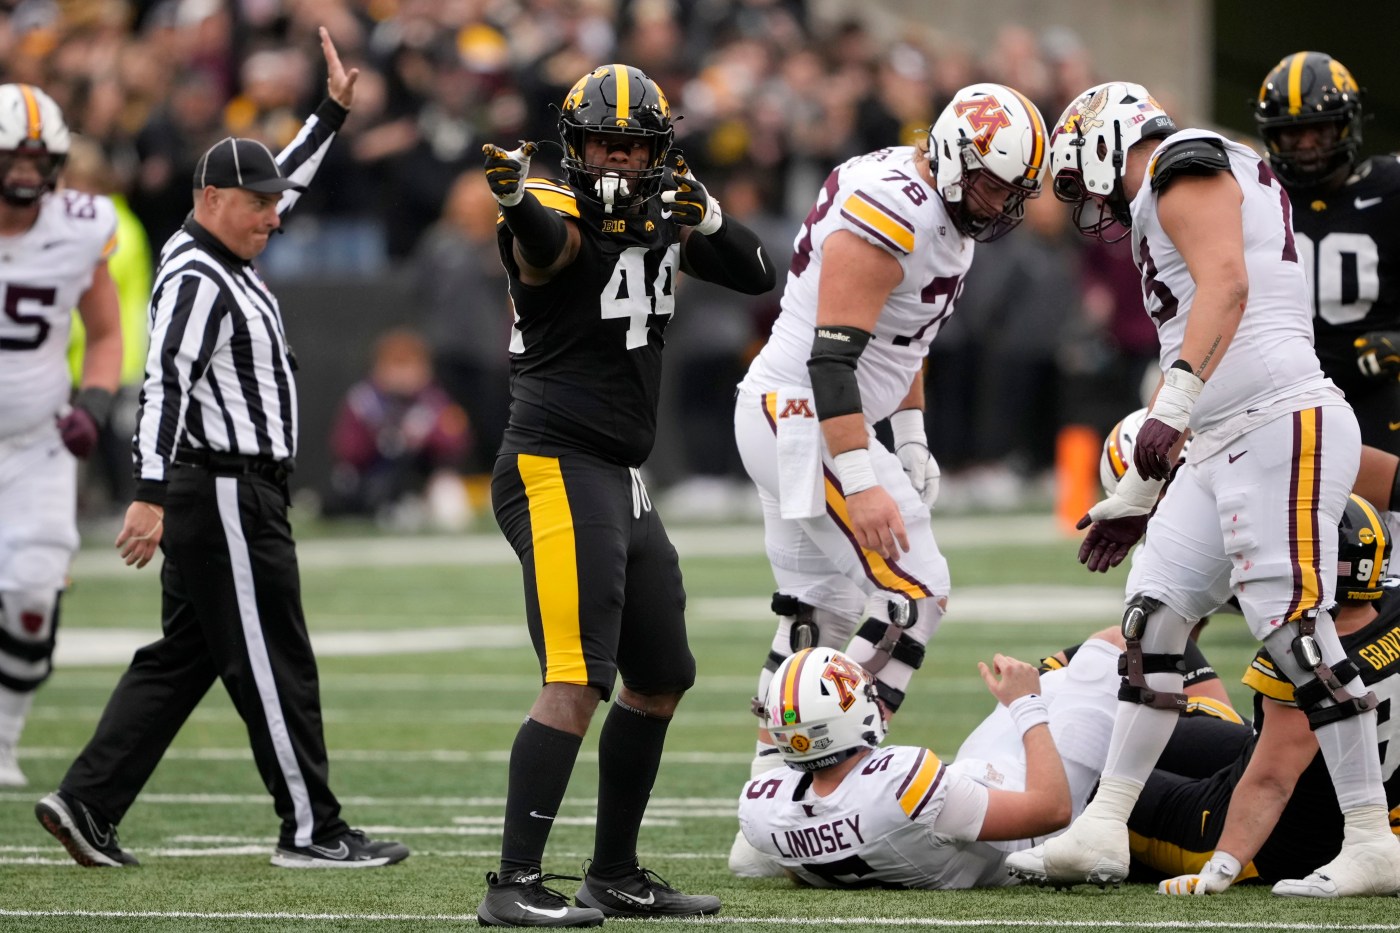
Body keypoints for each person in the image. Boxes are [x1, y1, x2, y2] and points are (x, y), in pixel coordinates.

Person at [1005, 80, 1400, 897]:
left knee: (1293, 629)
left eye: (1082, 175)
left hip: (1280, 420)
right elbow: (1203, 337)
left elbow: (1227, 285)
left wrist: (1174, 403)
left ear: (1108, 139)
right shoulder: (1179, 183)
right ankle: (1104, 825)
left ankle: (1370, 837)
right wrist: (1140, 492)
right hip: (1226, 432)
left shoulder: (1183, 162)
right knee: (1153, 619)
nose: (1091, 201)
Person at [34, 28, 409, 871]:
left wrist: (331, 112)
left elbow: (288, 179)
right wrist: (148, 493)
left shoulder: (226, 242)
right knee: (276, 660)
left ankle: (86, 800)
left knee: (182, 658)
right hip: (226, 492)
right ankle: (311, 829)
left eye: (273, 202)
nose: (274, 215)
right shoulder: (197, 275)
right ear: (210, 197)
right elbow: (163, 383)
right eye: (256, 203)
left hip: (226, 491)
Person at [476, 63, 775, 927]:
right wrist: (515, 201)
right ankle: (513, 882)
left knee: (662, 673)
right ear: (574, 146)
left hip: (618, 474)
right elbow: (547, 248)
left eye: (631, 145)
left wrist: (706, 215)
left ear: (656, 151)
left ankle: (613, 872)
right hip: (555, 460)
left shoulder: (664, 207)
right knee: (577, 674)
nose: (615, 158)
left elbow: (758, 271)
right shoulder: (549, 204)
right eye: (602, 143)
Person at [729, 82, 1047, 871]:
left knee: (821, 609)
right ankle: (840, 779)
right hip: (803, 413)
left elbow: (903, 338)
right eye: (991, 184)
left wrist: (908, 436)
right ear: (952, 157)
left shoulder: (936, 206)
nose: (1000, 204)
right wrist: (861, 475)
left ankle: (768, 808)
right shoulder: (893, 205)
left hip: (802, 416)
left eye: (1014, 191)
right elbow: (832, 358)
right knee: (915, 589)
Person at [736, 636, 1246, 889]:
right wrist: (1026, 706)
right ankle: (1240, 731)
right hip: (1028, 811)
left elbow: (801, 860)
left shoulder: (770, 814)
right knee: (1116, 646)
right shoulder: (901, 784)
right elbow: (1051, 808)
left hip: (975, 789)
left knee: (1080, 661)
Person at [1138, 494, 1400, 894]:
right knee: (1165, 733)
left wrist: (1222, 866)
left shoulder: (1301, 654)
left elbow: (1272, 782)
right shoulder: (1393, 606)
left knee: (1101, 786)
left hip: (1272, 837)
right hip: (1342, 799)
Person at [0, 84, 123, 787]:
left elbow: (104, 334)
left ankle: (3, 739)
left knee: (33, 592)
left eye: (36, 158)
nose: (25, 171)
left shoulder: (81, 224)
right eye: (11, 157)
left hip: (35, 440)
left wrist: (94, 404)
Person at [1253, 53, 1400, 456]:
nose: (1306, 145)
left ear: (1346, 124)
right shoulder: (1252, 196)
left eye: (1319, 129)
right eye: (1292, 133)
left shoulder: (1390, 190)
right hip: (1278, 400)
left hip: (1376, 394)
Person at [325, 328, 471, 530]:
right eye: (395, 366)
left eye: (410, 366)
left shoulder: (433, 401)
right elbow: (346, 450)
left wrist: (425, 435)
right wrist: (378, 436)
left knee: (448, 496)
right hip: (373, 479)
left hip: (418, 479)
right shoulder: (364, 402)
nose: (403, 375)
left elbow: (456, 443)